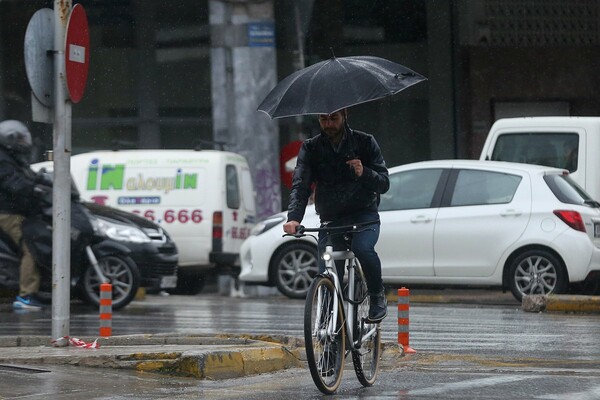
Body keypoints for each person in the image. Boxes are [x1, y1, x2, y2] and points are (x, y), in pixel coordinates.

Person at [283, 109, 390, 322]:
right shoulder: (312, 148)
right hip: (331, 220)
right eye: (324, 119)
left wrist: (364, 172)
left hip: (364, 216)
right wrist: (294, 217)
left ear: (345, 116)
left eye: (334, 118)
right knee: (328, 274)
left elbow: (384, 183)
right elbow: (301, 185)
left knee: (363, 249)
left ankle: (377, 296)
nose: (329, 123)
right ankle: (329, 335)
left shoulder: (365, 142)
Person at [0, 120, 44, 310]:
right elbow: (13, 182)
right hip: (7, 213)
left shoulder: (12, 156)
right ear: (10, 139)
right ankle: (26, 295)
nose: (25, 142)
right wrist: (33, 189)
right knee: (31, 247)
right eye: (20, 138)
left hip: (16, 211)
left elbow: (24, 175)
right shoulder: (3, 159)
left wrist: (40, 179)